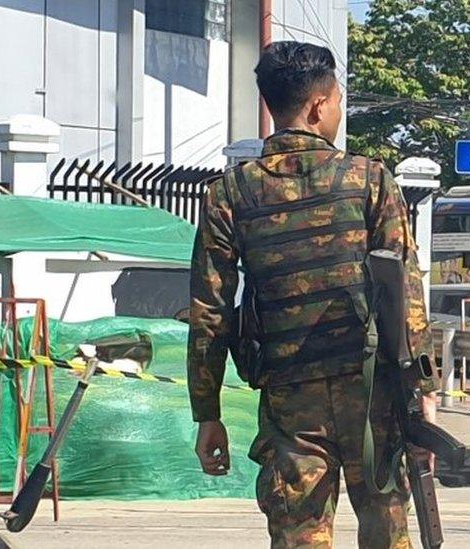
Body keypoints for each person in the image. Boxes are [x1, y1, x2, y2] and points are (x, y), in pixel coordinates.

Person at [187, 41, 437, 548]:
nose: (339, 112)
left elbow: (210, 311)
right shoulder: (370, 180)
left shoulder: (229, 194)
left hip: (289, 402)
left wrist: (207, 413)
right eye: (339, 101)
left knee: (300, 536)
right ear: (319, 105)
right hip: (373, 395)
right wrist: (422, 393)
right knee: (387, 533)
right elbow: (406, 294)